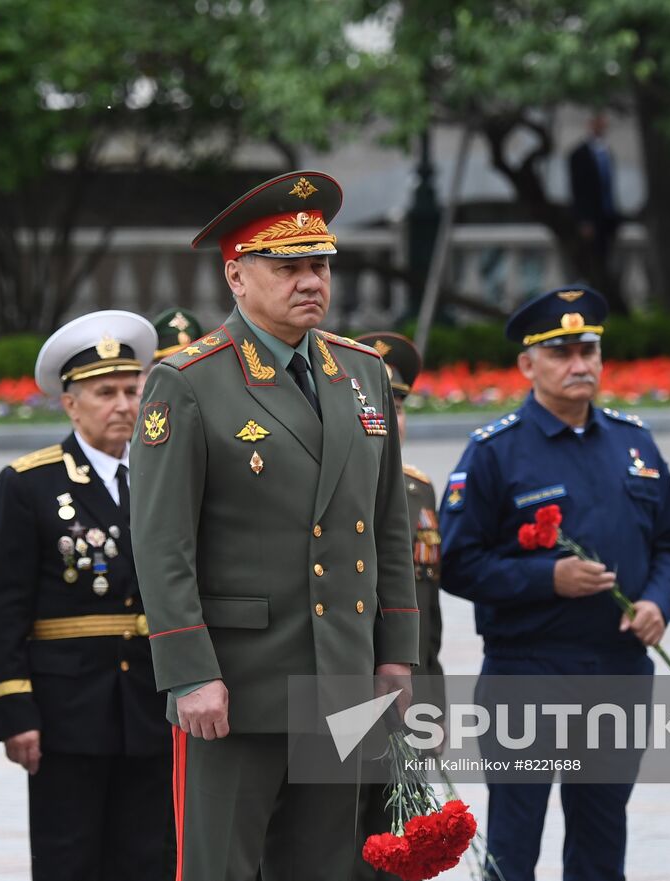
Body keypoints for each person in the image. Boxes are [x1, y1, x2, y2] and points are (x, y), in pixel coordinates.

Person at [130, 170, 419, 881]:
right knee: (220, 867)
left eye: (319, 265)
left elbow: (387, 524)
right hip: (237, 683)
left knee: (325, 866)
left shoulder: (362, 373)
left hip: (341, 675)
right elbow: (162, 542)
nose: (310, 281)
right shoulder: (191, 381)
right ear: (237, 275)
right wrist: (190, 669)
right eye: (287, 267)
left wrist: (396, 652)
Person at [438, 287, 670, 881]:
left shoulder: (635, 443)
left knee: (602, 843)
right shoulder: (495, 452)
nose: (580, 365)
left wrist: (658, 601)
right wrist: (546, 577)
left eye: (589, 350)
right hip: (529, 669)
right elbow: (454, 561)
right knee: (514, 845)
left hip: (618, 668)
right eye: (562, 354)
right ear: (528, 365)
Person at [0, 310, 173, 879]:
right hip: (68, 709)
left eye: (132, 390)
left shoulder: (165, 474)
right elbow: (2, 607)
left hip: (151, 703)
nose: (123, 405)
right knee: (70, 857)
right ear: (70, 402)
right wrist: (15, 711)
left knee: (149, 856)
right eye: (104, 391)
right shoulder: (29, 483)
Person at [352, 331, 445, 881]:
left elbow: (427, 612)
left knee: (400, 857)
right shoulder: (328, 487)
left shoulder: (418, 490)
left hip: (413, 702)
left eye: (401, 404)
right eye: (379, 403)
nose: (394, 417)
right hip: (341, 701)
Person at [568, 114, 621, 302]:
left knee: (608, 262)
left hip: (607, 217)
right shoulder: (579, 154)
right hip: (590, 219)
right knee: (590, 263)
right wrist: (584, 220)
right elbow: (577, 190)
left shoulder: (606, 152)